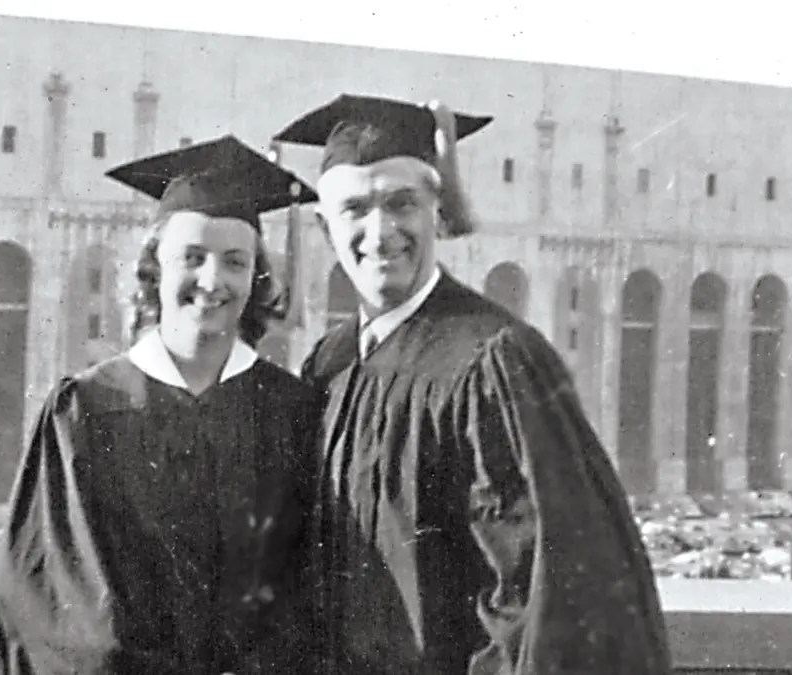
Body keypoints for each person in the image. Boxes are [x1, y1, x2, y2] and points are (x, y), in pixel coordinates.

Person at [271, 94, 672, 675]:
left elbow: (534, 594)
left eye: (402, 203)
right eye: (354, 209)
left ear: (438, 208)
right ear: (323, 224)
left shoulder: (495, 362)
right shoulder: (329, 366)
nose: (379, 233)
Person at [0, 135, 323, 675]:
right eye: (192, 257)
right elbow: (49, 613)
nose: (213, 281)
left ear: (255, 278)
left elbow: (314, 595)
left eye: (235, 262)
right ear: (155, 268)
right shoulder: (87, 411)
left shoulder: (294, 413)